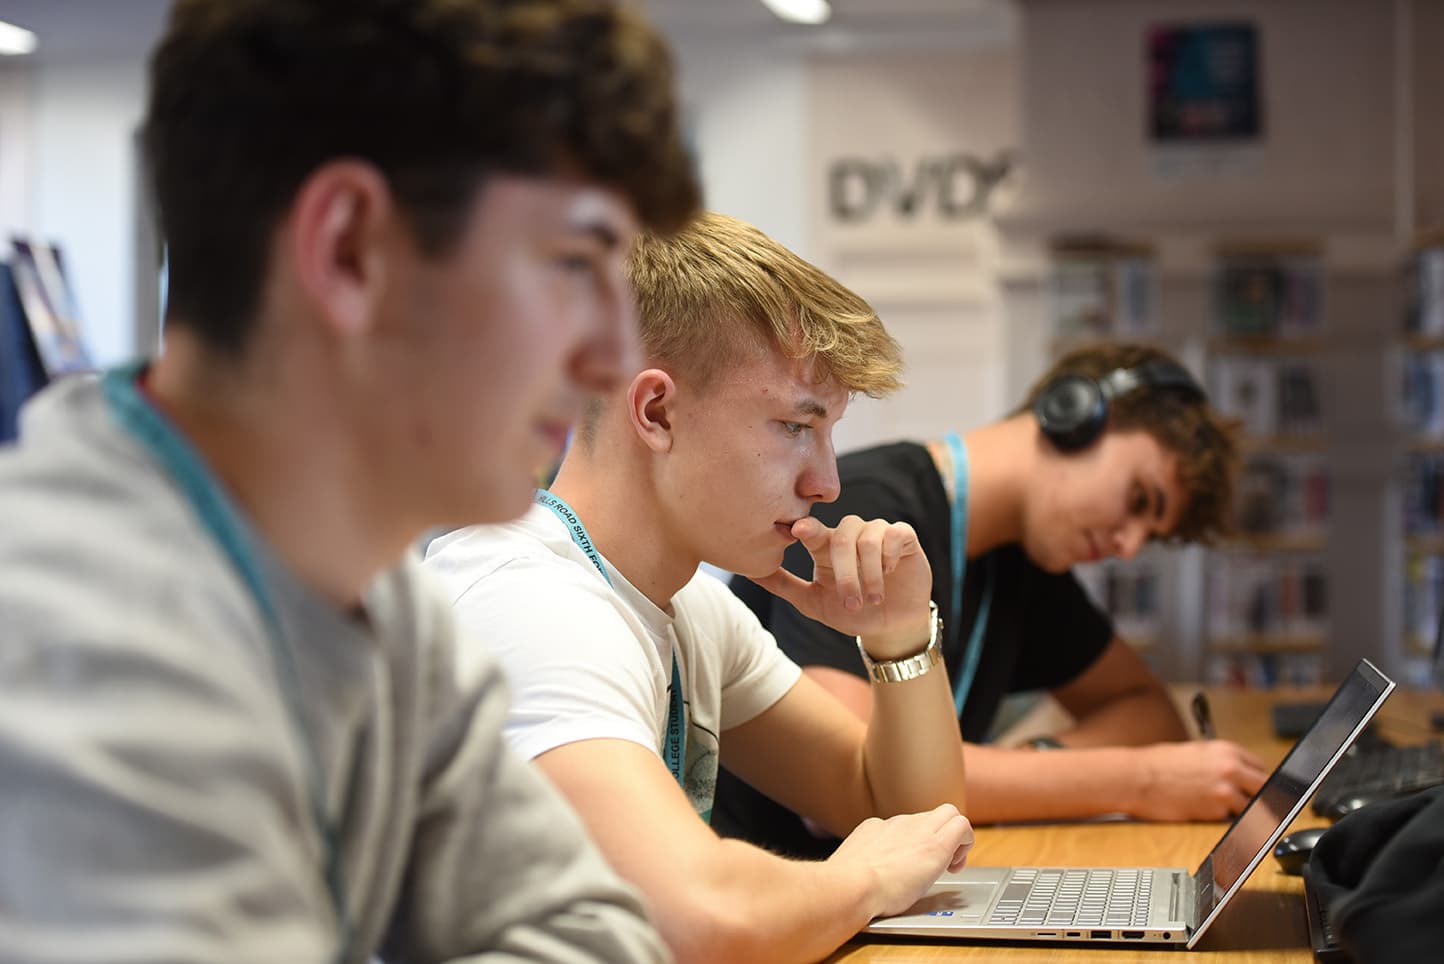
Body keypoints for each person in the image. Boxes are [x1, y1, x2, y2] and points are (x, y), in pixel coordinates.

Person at [0, 2, 700, 962]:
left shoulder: (370, 593)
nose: (612, 355)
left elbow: (600, 930)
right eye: (572, 265)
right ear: (346, 250)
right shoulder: (80, 651)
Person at [425, 211, 975, 964]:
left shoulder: (691, 605)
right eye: (794, 427)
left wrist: (898, 635)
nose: (828, 482)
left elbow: (914, 816)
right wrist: (868, 876)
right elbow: (701, 917)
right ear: (656, 412)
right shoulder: (523, 600)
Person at [716, 341, 1272, 857]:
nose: (1127, 547)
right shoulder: (863, 517)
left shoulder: (1021, 562)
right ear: (1072, 414)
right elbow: (870, 785)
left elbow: (1147, 712)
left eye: (1148, 535)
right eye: (1138, 498)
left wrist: (1029, 770)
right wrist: (1140, 781)